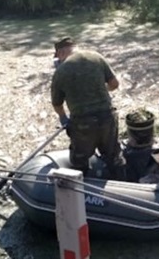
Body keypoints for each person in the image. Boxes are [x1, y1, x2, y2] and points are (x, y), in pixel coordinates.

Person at [51, 37, 126, 179]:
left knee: (79, 161)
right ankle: (125, 185)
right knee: (114, 156)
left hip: (82, 124)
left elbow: (57, 103)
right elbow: (115, 84)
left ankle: (83, 193)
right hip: (107, 118)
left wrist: (63, 117)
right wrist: (102, 89)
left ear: (60, 53)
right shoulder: (96, 57)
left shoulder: (61, 71)